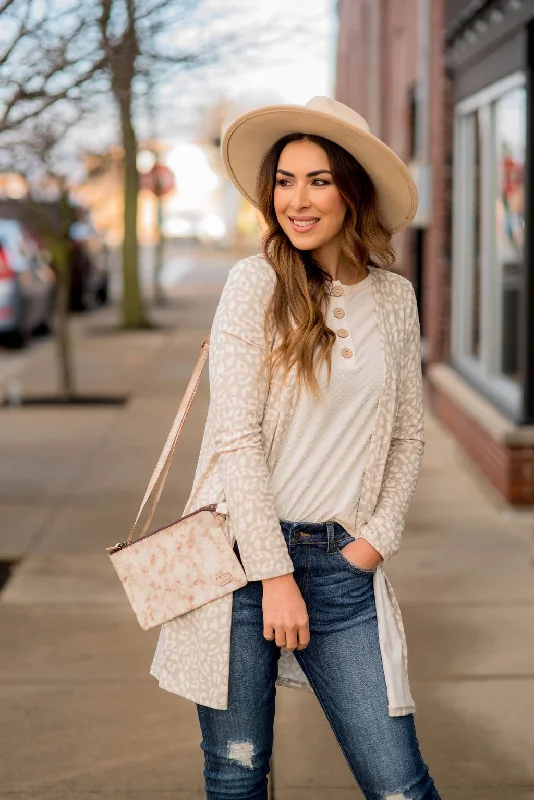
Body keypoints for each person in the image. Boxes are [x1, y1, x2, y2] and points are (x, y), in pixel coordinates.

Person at [150, 96, 440, 800]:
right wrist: (274, 574)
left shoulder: (395, 300)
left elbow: (407, 433)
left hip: (342, 566)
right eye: (285, 180)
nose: (296, 200)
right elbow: (237, 438)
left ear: (353, 190)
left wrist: (375, 540)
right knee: (238, 770)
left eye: (318, 180)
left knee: (398, 782)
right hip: (240, 560)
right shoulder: (254, 285)